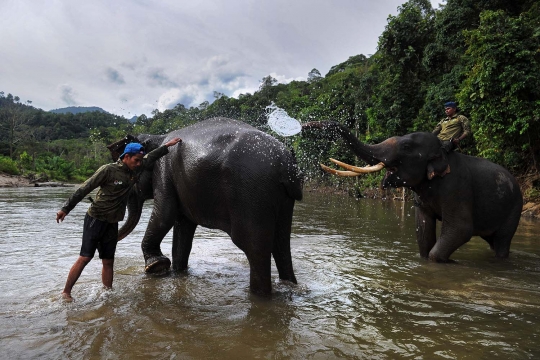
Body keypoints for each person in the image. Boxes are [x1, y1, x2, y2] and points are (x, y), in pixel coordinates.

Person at [56, 138, 181, 302]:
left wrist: (166, 146)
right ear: (126, 156)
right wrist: (66, 208)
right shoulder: (108, 170)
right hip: (96, 219)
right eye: (136, 160)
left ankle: (107, 294)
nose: (138, 164)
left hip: (112, 222)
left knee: (108, 261)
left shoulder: (136, 168)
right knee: (85, 257)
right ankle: (66, 292)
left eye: (139, 161)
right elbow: (84, 188)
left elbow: (150, 157)